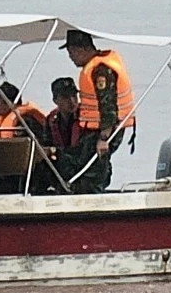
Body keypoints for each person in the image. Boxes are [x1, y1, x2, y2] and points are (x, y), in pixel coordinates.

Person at [58, 30, 136, 193]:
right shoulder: (93, 67)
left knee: (92, 174)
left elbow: (108, 106)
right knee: (79, 163)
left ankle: (92, 202)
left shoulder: (101, 71)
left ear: (81, 50)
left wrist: (104, 138)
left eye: (71, 53)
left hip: (106, 131)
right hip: (93, 130)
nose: (71, 57)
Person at [43, 77, 87, 193]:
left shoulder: (87, 118)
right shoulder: (51, 120)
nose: (72, 101)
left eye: (74, 96)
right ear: (55, 100)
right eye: (66, 97)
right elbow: (46, 144)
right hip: (61, 168)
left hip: (82, 167)